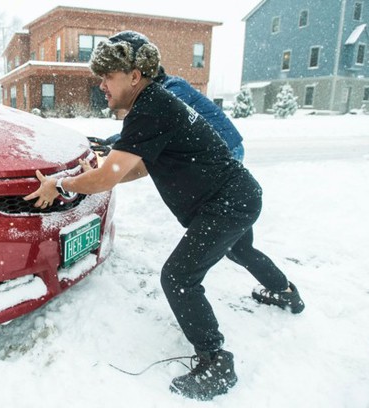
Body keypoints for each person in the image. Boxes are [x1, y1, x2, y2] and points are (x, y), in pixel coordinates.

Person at [24, 31, 304, 401]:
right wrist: (92, 177)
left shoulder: (150, 107)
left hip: (227, 203)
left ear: (135, 75)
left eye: (109, 76)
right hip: (238, 195)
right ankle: (286, 293)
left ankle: (216, 360)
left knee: (179, 277)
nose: (102, 84)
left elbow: (110, 175)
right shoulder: (155, 104)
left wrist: (63, 185)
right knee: (240, 251)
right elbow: (135, 169)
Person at [98, 67, 245, 161]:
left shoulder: (173, 89)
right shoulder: (167, 89)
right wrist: (116, 140)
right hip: (217, 146)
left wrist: (118, 142)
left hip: (228, 147)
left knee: (209, 199)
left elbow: (152, 125)